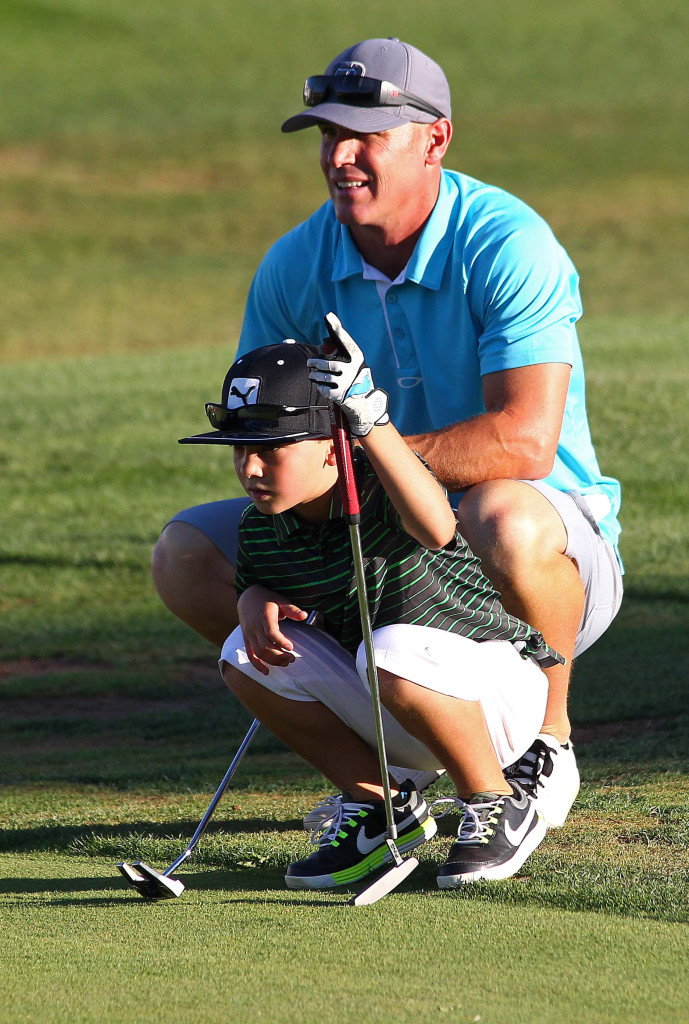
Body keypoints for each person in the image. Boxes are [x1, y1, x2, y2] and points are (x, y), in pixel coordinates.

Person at [155, 37, 623, 830]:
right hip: (373, 537)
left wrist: (371, 456)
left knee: (498, 517)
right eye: (327, 137)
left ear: (434, 138)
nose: (339, 156)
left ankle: (546, 741)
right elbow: (264, 429)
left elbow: (523, 442)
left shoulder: (506, 243)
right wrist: (266, 580)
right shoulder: (295, 263)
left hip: (539, 548)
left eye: (364, 136)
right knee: (187, 556)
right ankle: (381, 791)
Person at [179, 321, 564, 889]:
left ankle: (496, 798)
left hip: (497, 699)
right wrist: (253, 599)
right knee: (242, 652)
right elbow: (261, 593)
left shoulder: (382, 485)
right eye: (240, 449)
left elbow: (434, 526)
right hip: (398, 705)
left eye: (270, 449)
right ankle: (382, 809)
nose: (250, 468)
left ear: (334, 448)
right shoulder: (261, 528)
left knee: (389, 649)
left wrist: (373, 424)